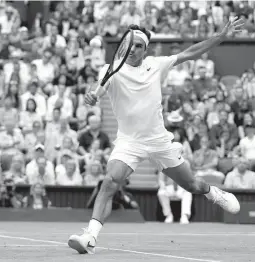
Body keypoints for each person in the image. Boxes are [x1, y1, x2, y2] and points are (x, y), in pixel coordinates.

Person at [68, 20, 244, 254]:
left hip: (159, 141)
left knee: (192, 185)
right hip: (129, 142)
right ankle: (90, 236)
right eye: (129, 45)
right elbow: (94, 89)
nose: (133, 49)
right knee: (110, 181)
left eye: (138, 45)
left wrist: (221, 37)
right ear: (122, 47)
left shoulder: (156, 65)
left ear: (145, 49)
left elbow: (190, 53)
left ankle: (214, 193)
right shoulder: (110, 70)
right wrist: (91, 97)